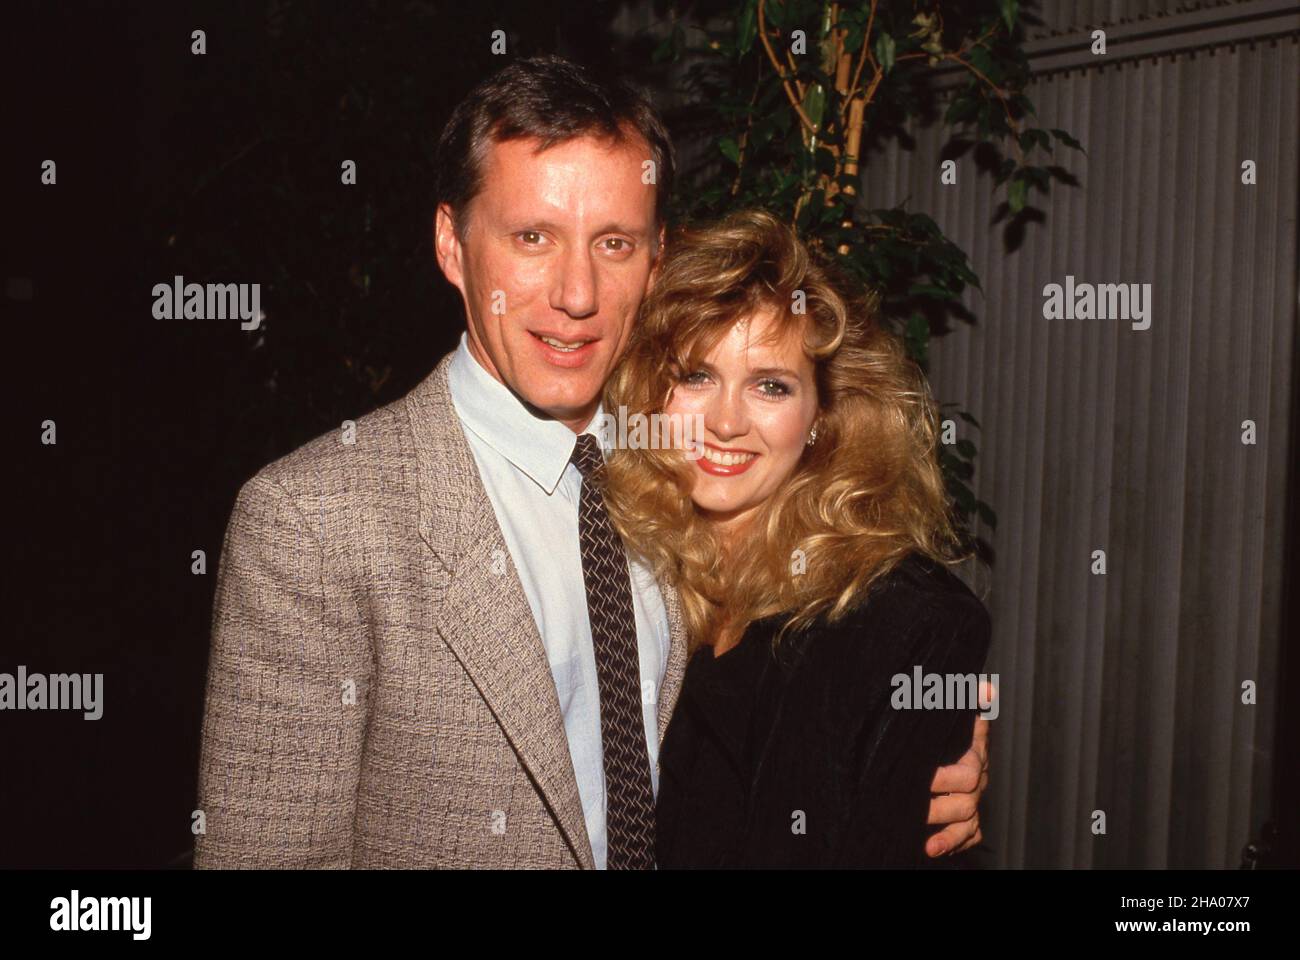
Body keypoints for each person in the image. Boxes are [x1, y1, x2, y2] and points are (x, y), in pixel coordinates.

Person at [193, 55, 987, 869]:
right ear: (452, 244)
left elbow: (806, 691)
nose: (576, 293)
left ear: (656, 258)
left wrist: (912, 741)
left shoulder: (693, 475)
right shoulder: (314, 522)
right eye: (532, 236)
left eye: (614, 243)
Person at [601, 208, 992, 867]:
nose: (725, 422)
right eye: (697, 376)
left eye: (770, 386)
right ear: (649, 395)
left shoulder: (903, 623)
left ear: (824, 417)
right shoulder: (626, 577)